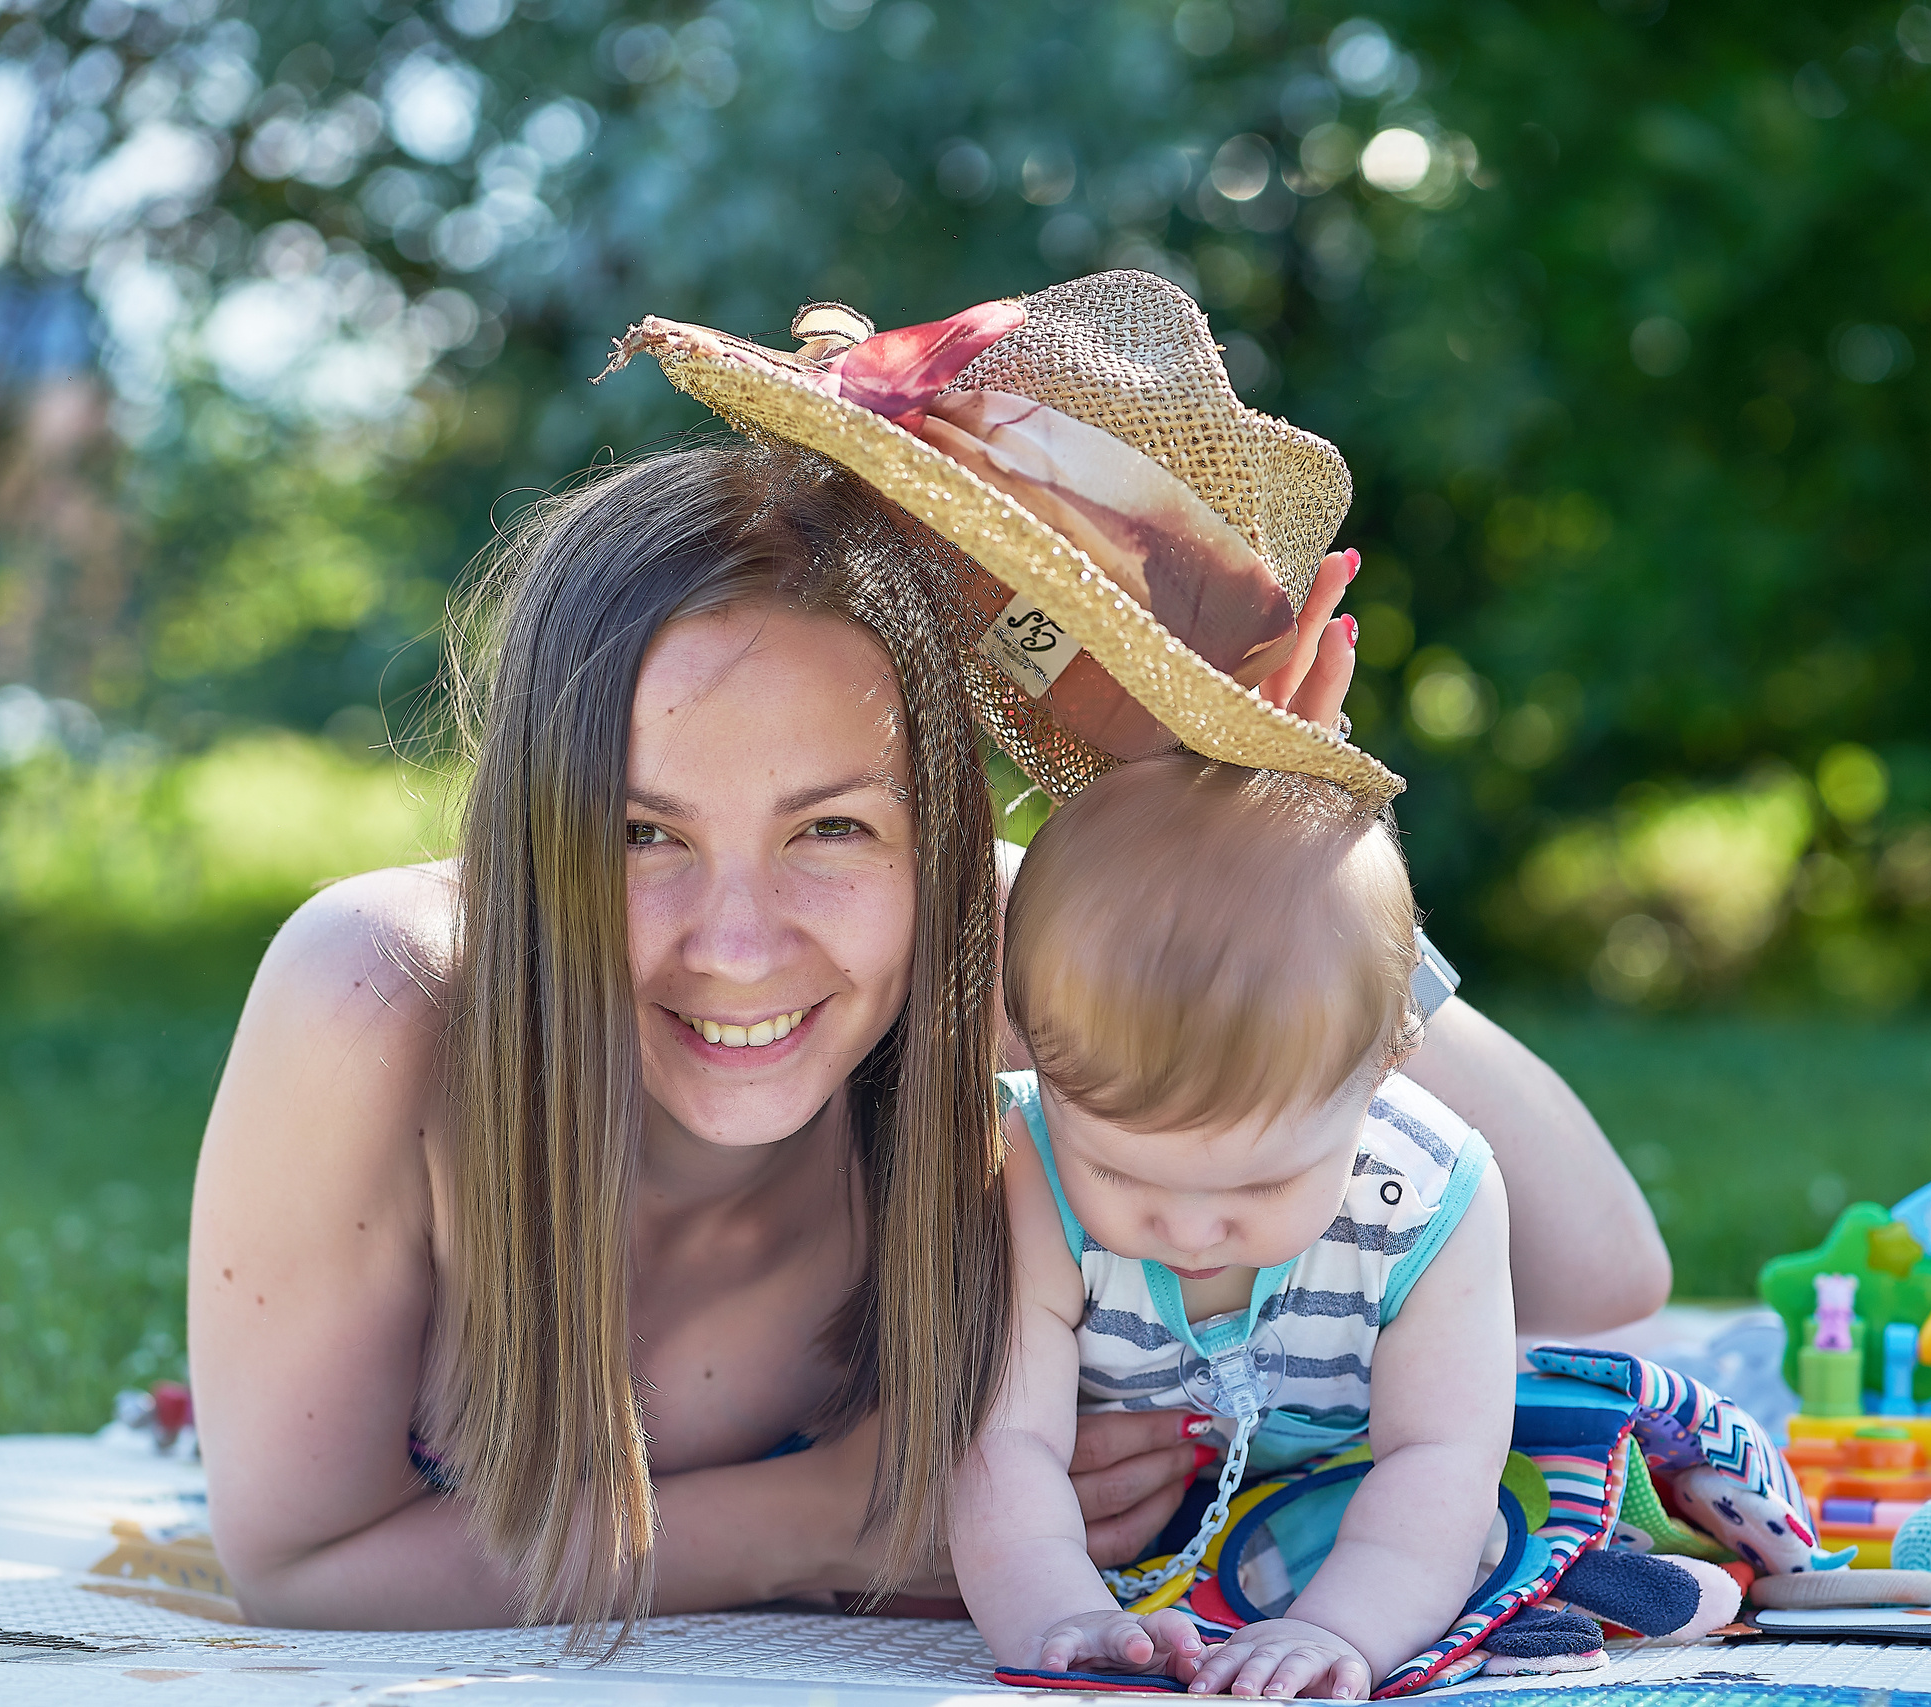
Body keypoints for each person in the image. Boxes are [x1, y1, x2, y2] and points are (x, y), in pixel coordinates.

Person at [192, 290, 1667, 1634]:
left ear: (943, 845)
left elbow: (1598, 1269)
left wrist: (1253, 844)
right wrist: (839, 1514)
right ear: (528, 828)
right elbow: (301, 1563)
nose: (740, 940)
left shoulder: (1003, 958)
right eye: (642, 833)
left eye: (829, 826)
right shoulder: (381, 1000)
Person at [954, 758, 1511, 1701]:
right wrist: (1059, 1612)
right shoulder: (1026, 1167)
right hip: (1108, 1519)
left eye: (1262, 1181)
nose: (1190, 1225)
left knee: (1526, 1510)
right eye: (1120, 1170)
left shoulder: (1425, 1198)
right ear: (1034, 1059)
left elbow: (1441, 1454)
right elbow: (1004, 1442)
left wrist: (1339, 1630)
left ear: (1382, 1070)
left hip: (1346, 1499)